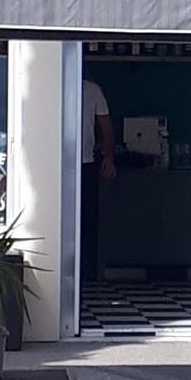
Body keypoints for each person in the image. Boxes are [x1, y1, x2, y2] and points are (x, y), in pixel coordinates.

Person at [80, 72, 116, 278]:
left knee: (88, 218)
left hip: (86, 162)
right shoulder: (55, 85)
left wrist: (108, 157)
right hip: (60, 163)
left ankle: (89, 272)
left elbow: (106, 128)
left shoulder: (92, 90)